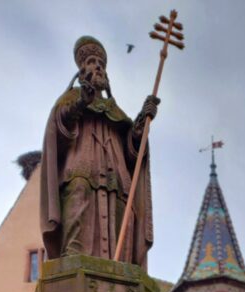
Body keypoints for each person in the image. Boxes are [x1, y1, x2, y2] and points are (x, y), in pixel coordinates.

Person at [41, 36, 158, 267]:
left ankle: (121, 269)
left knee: (123, 215)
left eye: (101, 64)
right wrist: (81, 103)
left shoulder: (115, 109)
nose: (97, 66)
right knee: (78, 196)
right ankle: (73, 265)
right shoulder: (72, 97)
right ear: (81, 69)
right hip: (82, 168)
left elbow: (132, 154)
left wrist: (140, 126)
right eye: (92, 62)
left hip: (117, 177)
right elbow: (59, 127)